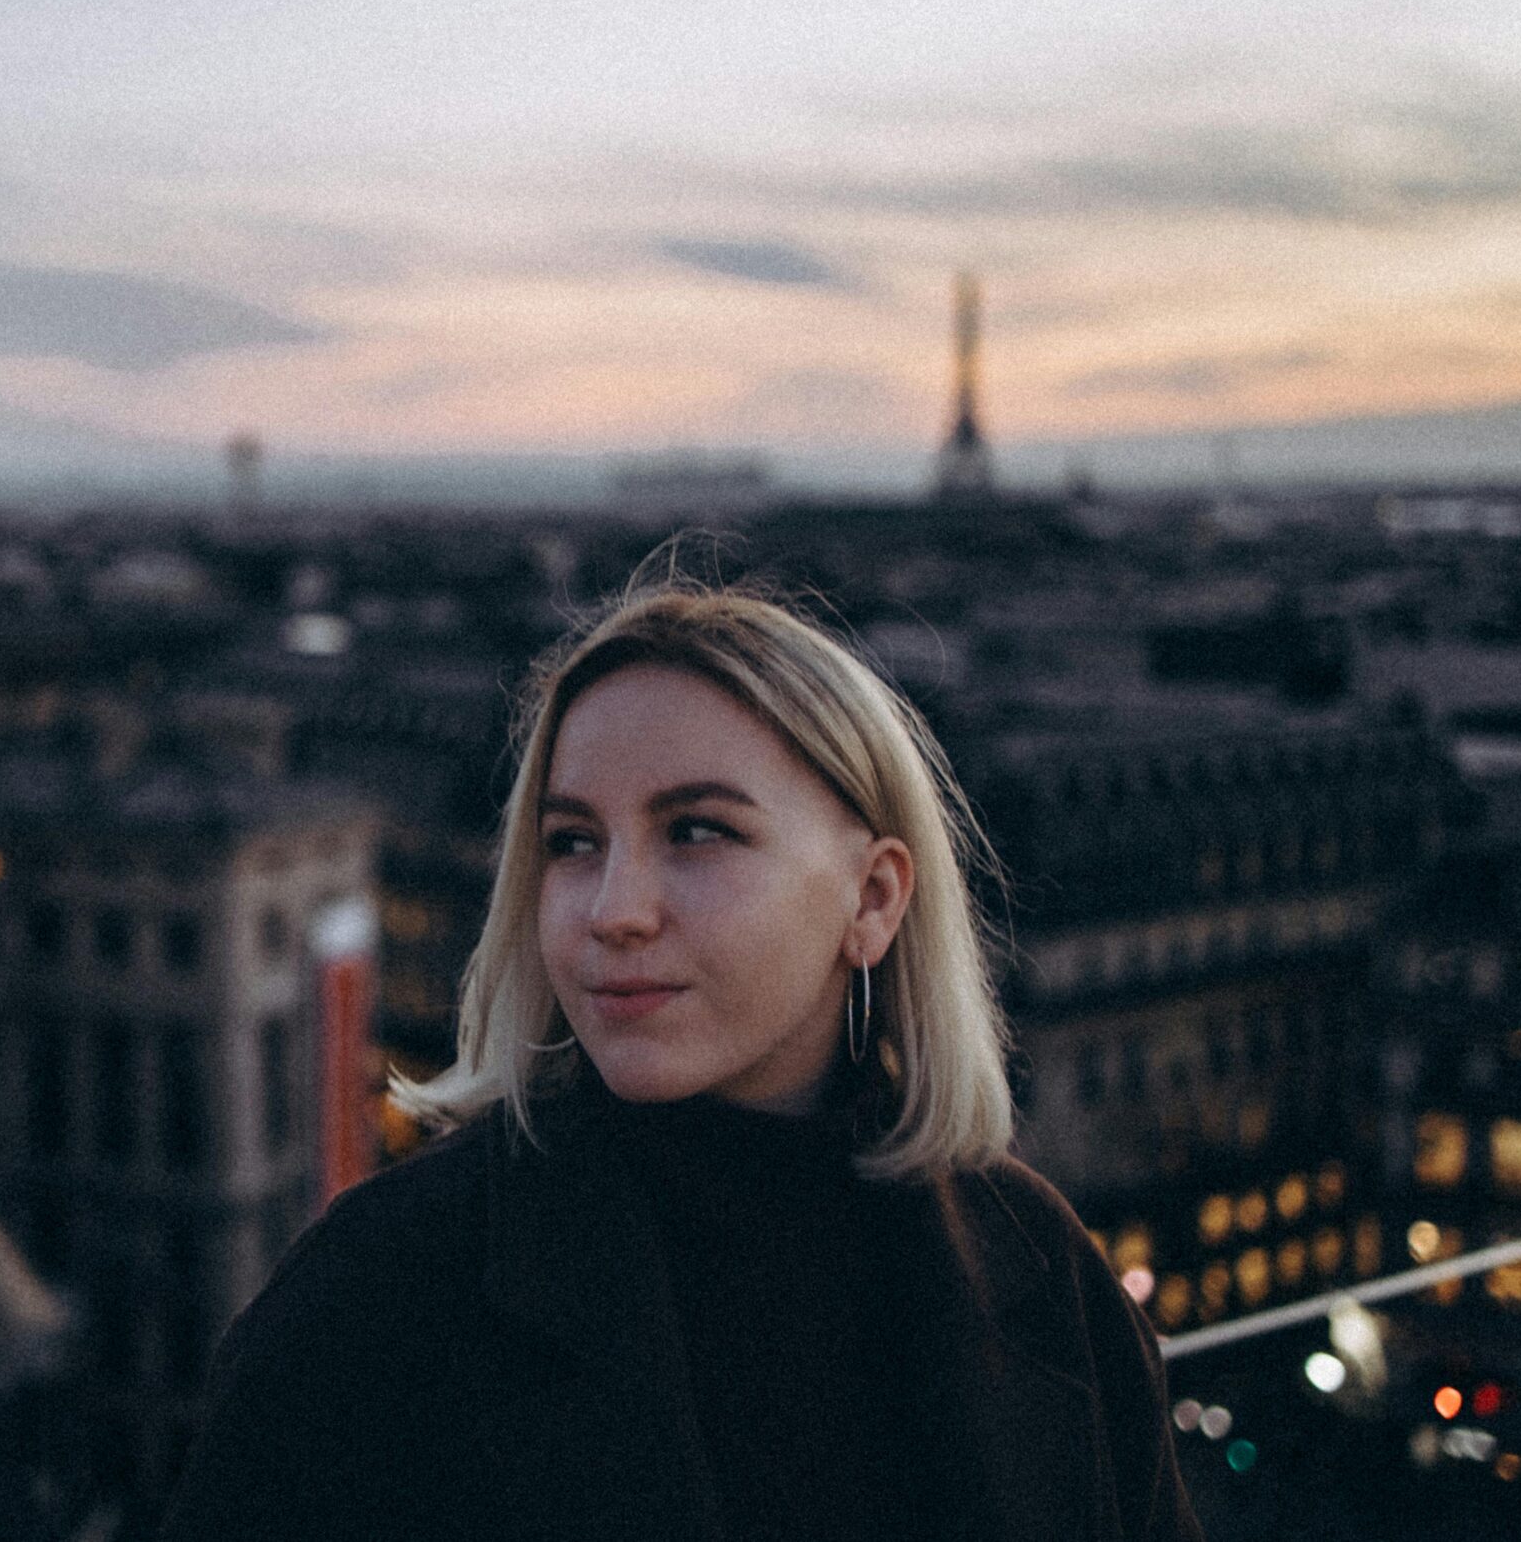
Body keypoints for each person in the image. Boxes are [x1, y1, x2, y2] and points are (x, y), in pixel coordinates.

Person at [160, 578, 1201, 1542]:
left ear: (874, 899)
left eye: (697, 831)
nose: (613, 910)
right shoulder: (377, 1294)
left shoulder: (1044, 1262)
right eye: (572, 843)